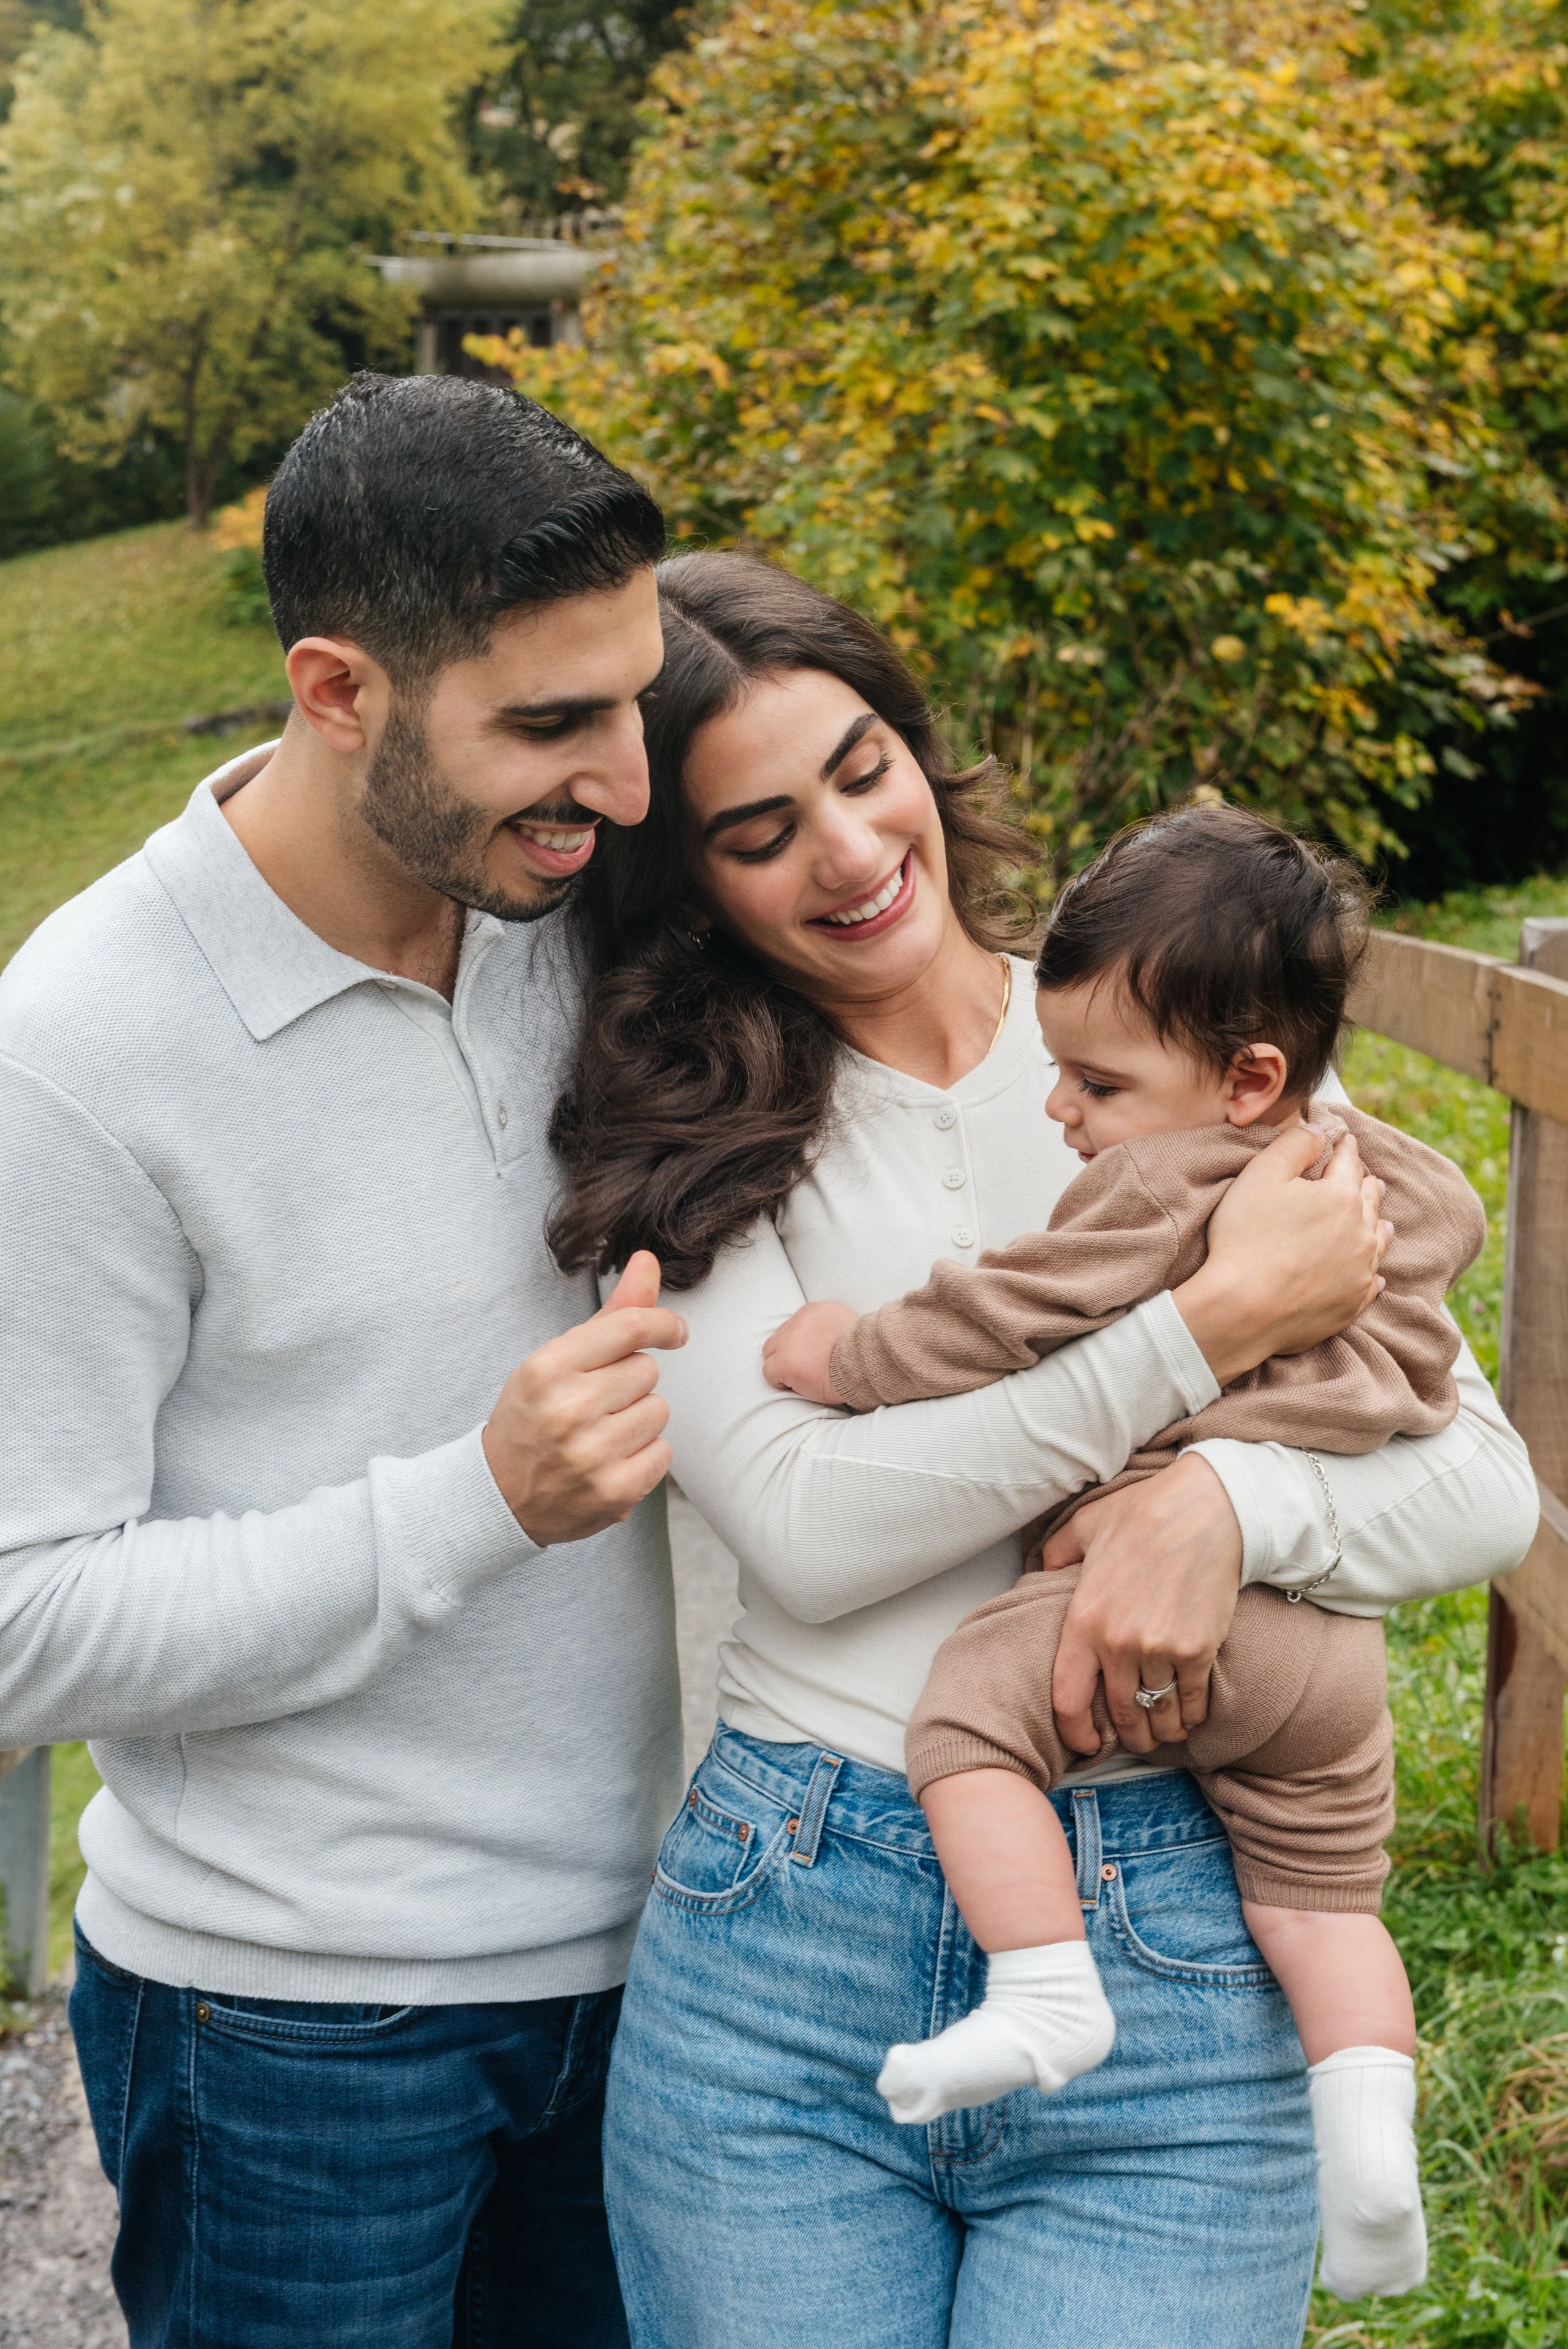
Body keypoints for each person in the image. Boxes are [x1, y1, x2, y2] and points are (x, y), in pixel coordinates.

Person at [548, 551, 1539, 2349]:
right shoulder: (686, 1132)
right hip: (787, 1937)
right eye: (759, 830)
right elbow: (809, 1529)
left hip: (1175, 1913)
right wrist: (1203, 1336)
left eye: (863, 767)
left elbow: (1479, 1482)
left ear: (917, 750)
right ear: (684, 882)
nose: (850, 851)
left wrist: (1230, 1496)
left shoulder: (1175, 1034)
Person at [0, 373, 690, 2347]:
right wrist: (474, 1505)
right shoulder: (73, 1050)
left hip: (673, 1977)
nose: (623, 780)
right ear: (337, 690)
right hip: (299, 2031)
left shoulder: (584, 903)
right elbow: (17, 1623)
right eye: (550, 725)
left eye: (629, 700)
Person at [763, 804, 1489, 2301]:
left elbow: (1003, 1313)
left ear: (1244, 1080)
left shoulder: (1166, 1183)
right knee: (1316, 1903)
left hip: (1174, 1620)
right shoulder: (1367, 1176)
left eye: (1093, 1082)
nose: (1063, 1114)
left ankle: (1041, 1990)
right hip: (1329, 1662)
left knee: (967, 1712)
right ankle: (1366, 2154)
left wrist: (845, 1351)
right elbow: (1458, 1219)